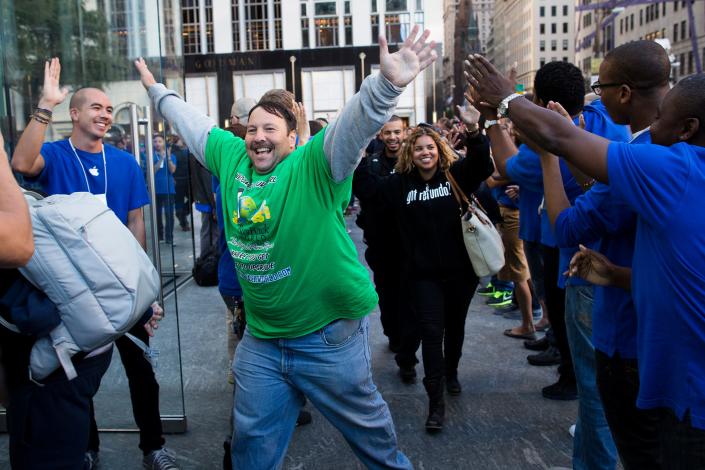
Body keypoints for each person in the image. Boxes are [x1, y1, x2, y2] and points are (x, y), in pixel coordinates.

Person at [135, 25, 437, 469]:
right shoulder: (232, 157)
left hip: (328, 338)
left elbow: (352, 128)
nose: (258, 135)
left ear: (292, 137)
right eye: (252, 127)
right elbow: (193, 123)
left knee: (375, 447)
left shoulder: (315, 164)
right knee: (251, 452)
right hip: (262, 340)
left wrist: (386, 85)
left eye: (270, 128)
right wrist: (157, 91)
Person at [467, 51, 705, 468]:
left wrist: (510, 104)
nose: (654, 126)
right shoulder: (667, 163)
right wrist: (623, 276)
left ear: (688, 129)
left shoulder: (673, 166)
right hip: (663, 359)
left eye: (663, 116)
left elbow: (567, 205)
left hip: (678, 386)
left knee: (608, 421)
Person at [10, 58, 179, 470]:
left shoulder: (122, 162)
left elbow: (137, 222)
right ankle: (86, 447)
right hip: (77, 293)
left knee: (142, 370)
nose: (105, 114)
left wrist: (146, 293)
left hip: (121, 285)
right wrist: (44, 106)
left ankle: (152, 448)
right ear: (74, 114)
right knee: (77, 375)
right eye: (95, 108)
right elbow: (20, 165)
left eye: (108, 109)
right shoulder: (53, 154)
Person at [536, 41, 670, 469]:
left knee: (599, 412)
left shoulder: (641, 157)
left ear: (626, 92)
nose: (600, 94)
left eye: (604, 86)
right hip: (633, 301)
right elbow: (603, 192)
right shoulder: (668, 152)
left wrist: (551, 154)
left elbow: (567, 227)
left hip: (620, 325)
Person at [356, 124, 492, 432]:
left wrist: (474, 133)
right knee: (431, 334)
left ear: (439, 149)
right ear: (410, 153)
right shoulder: (400, 184)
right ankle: (435, 405)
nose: (425, 152)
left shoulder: (455, 174)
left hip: (461, 274)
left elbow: (483, 164)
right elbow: (368, 192)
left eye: (430, 147)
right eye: (419, 148)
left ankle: (452, 371)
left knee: (455, 327)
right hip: (422, 277)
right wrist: (361, 155)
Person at [353, 115, 406, 352]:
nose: (393, 137)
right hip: (381, 244)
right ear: (381, 135)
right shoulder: (371, 163)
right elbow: (366, 193)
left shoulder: (413, 163)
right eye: (388, 133)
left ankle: (406, 340)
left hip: (410, 243)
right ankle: (394, 334)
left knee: (411, 296)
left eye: (397, 132)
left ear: (404, 133)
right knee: (387, 293)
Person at [153, 134, 177, 244]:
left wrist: (167, 157)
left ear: (163, 143)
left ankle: (169, 237)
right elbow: (152, 171)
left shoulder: (171, 156)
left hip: (169, 189)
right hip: (156, 190)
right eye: (155, 141)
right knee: (157, 214)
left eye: (159, 141)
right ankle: (160, 236)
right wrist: (161, 158)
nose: (157, 144)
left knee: (169, 215)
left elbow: (172, 170)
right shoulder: (151, 155)